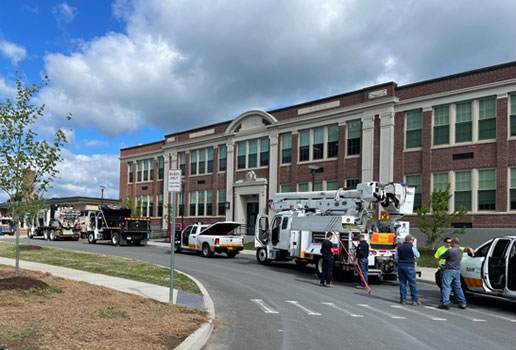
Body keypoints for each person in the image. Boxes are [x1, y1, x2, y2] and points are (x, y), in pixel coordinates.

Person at [438, 237, 467, 310]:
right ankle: (462, 303)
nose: (450, 244)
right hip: (457, 270)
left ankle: (445, 303)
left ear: (454, 243)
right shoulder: (460, 251)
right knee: (458, 287)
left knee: (446, 286)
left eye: (451, 243)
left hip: (449, 270)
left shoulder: (450, 251)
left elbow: (442, 256)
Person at [395, 234, 421, 305]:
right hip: (409, 265)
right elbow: (418, 255)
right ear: (410, 240)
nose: (413, 241)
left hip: (401, 266)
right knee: (412, 283)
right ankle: (414, 300)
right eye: (412, 240)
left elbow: (396, 257)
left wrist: (400, 262)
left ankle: (403, 299)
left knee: (402, 283)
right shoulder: (412, 247)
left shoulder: (399, 247)